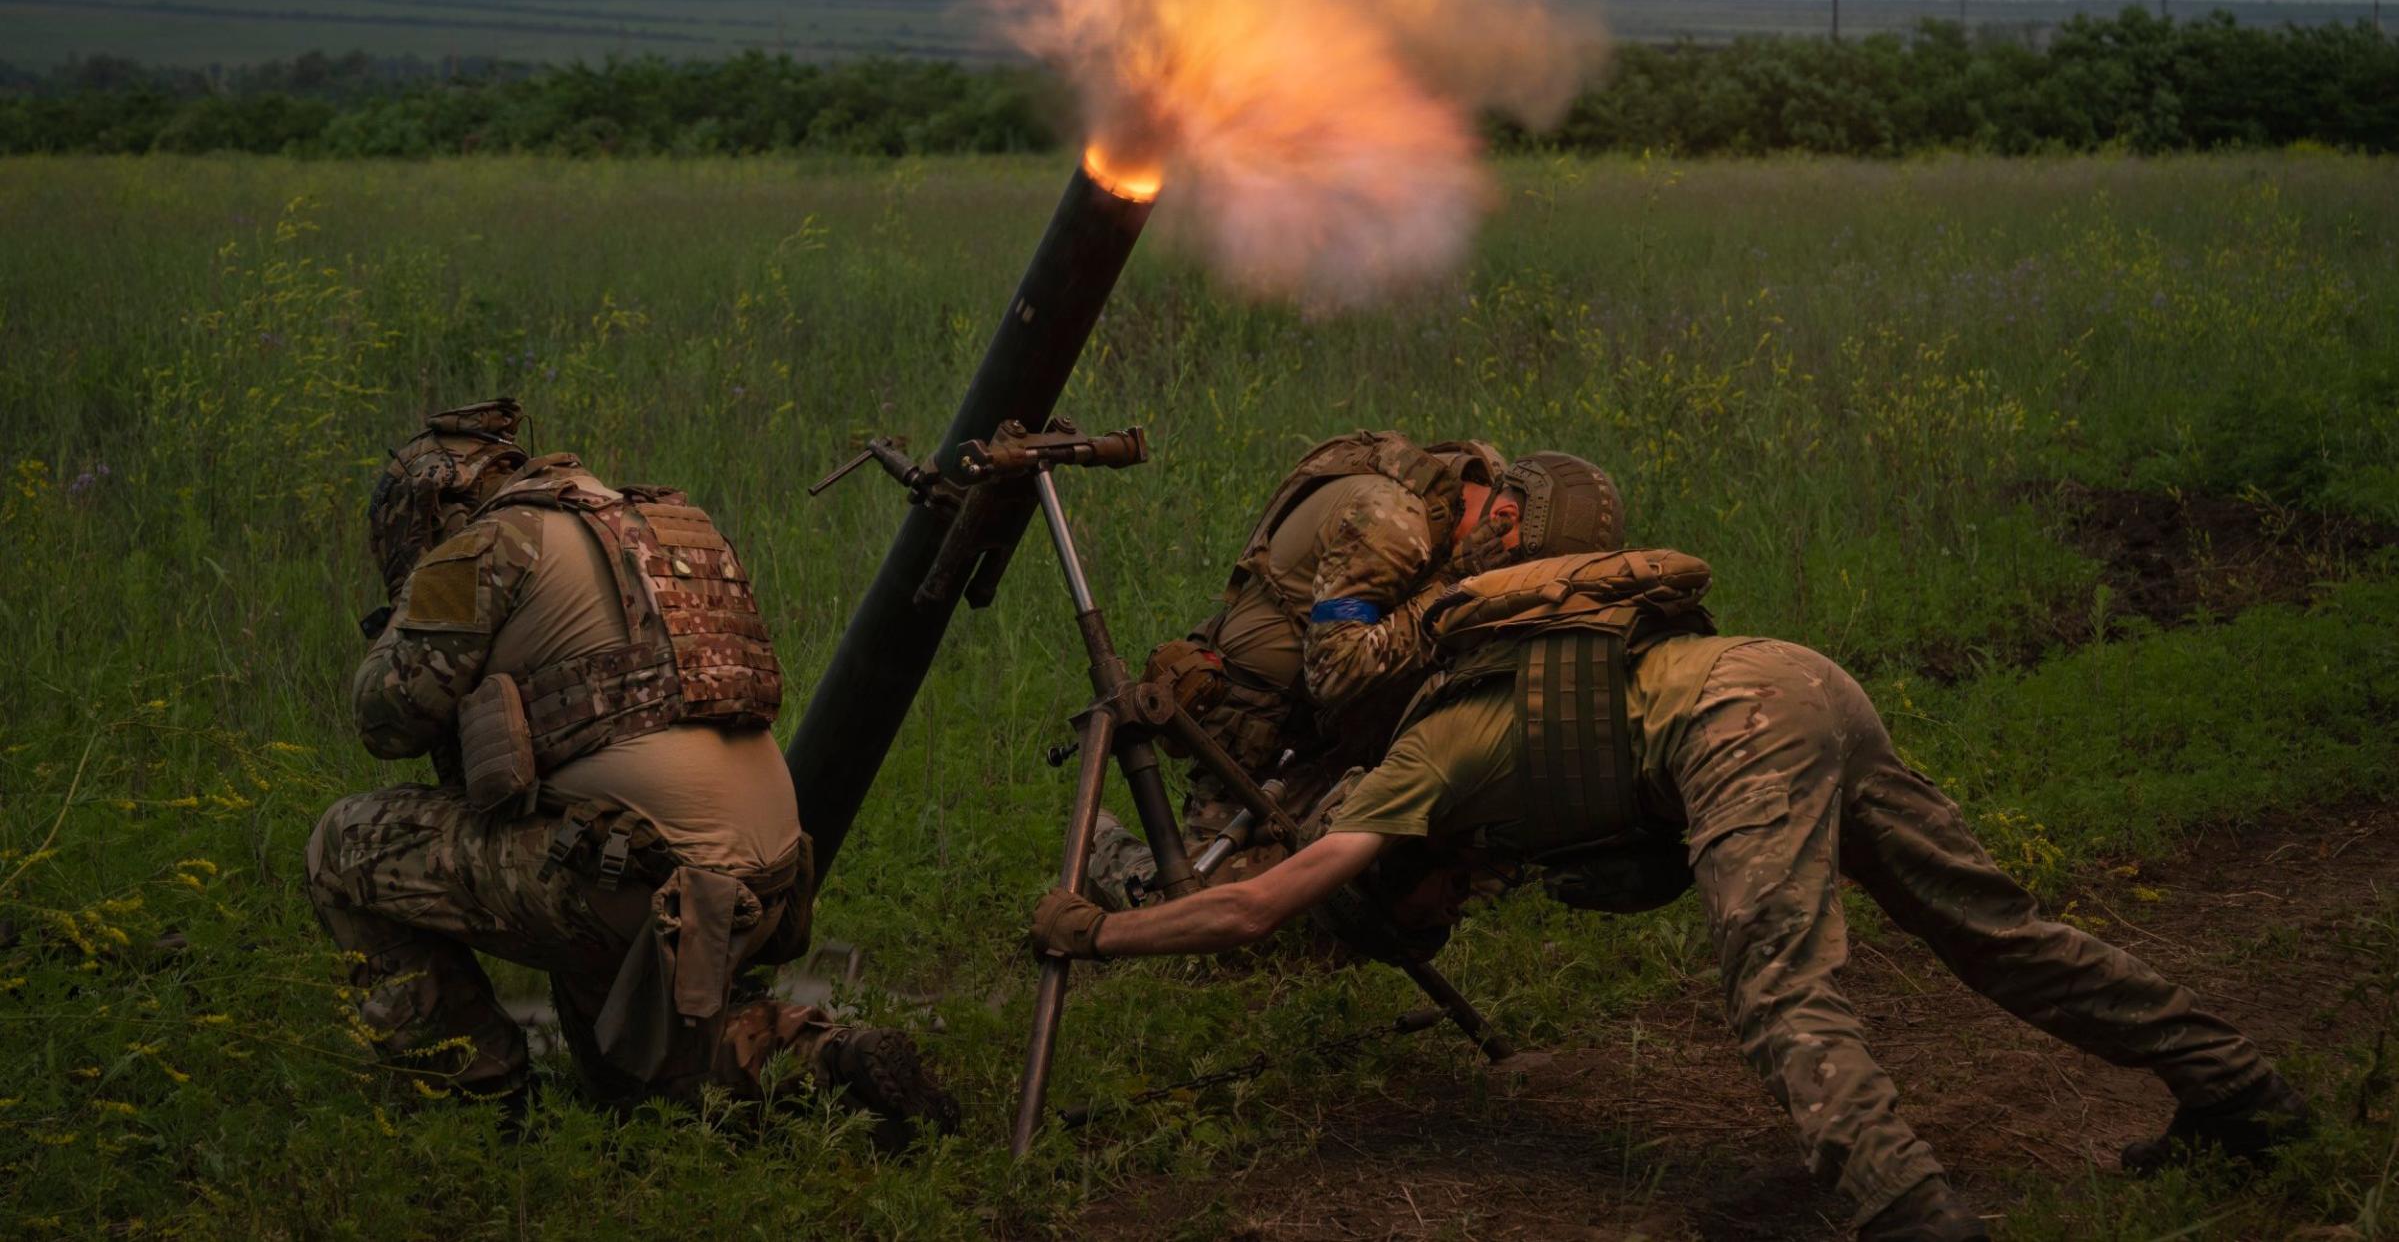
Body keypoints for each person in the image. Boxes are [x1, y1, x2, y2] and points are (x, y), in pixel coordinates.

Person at [1032, 520, 2309, 1240]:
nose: (1444, 922)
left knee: (1777, 990)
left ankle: (1904, 1212)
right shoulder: (1462, 745)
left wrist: (1098, 930)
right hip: (1795, 680)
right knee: (1994, 932)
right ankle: (2239, 1089)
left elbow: (1258, 902)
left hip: (1735, 729)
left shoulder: (1412, 772)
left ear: (1403, 873)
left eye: (1418, 918)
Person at [307, 399, 957, 1138]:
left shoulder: (488, 542)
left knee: (343, 846)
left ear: (432, 508)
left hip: (632, 878)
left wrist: (405, 610)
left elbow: (385, 719)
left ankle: (474, 1104)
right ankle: (831, 1060)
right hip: (761, 881)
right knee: (636, 1082)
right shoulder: (663, 525)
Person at [1088, 433, 1621, 907]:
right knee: (1201, 906)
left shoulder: (1485, 491)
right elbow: (1334, 671)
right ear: (1504, 519)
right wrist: (1457, 592)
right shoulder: (1393, 522)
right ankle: (1101, 844)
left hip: (1343, 722)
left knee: (1436, 881)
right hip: (1266, 731)